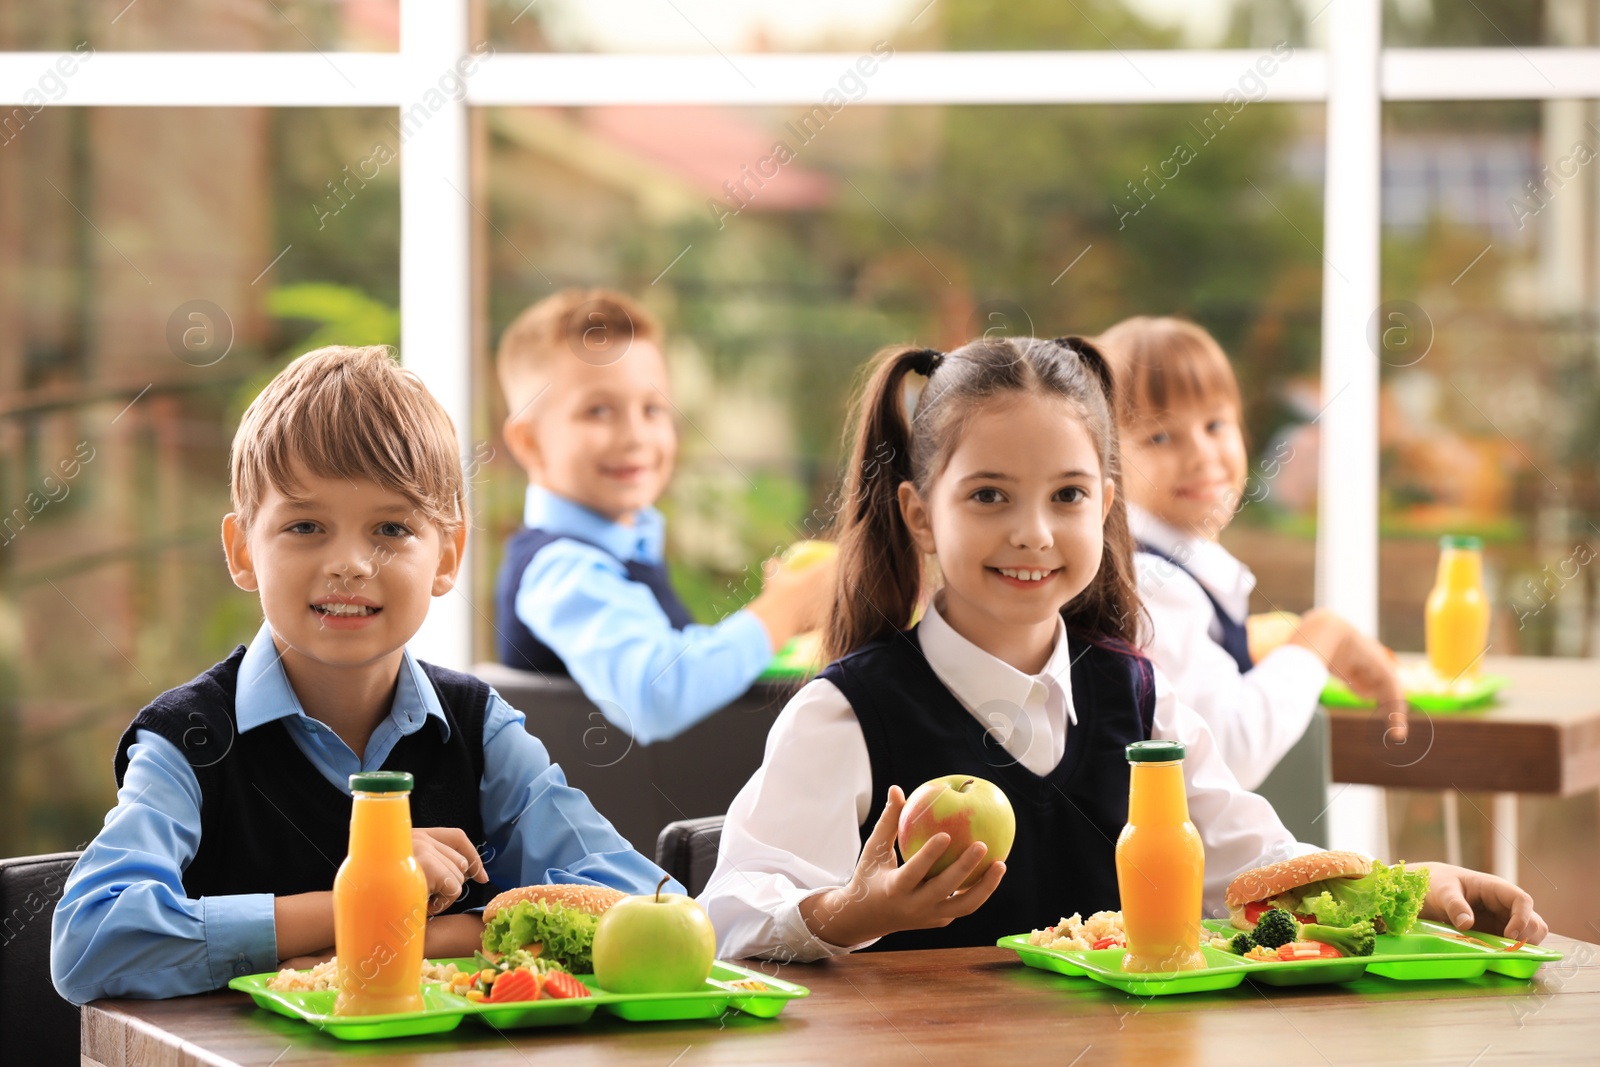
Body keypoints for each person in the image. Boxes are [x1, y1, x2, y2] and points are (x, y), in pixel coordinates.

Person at [698, 335, 1547, 960]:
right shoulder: (847, 712)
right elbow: (730, 912)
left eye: (1067, 495)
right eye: (989, 494)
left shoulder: (1139, 697)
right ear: (921, 512)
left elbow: (1257, 865)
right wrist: (851, 908)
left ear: (1104, 505)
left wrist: (1406, 886)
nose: (1033, 533)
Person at [51, 346, 678, 1004]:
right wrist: (367, 900)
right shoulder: (190, 738)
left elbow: (644, 906)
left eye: (389, 527)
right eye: (305, 525)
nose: (349, 562)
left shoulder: (479, 729)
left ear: (448, 556)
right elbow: (90, 940)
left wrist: (426, 938)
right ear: (242, 551)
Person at [493, 288, 833, 744]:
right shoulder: (561, 570)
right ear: (529, 441)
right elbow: (658, 694)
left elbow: (685, 667)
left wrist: (791, 619)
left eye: (652, 409)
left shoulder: (619, 555)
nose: (636, 435)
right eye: (598, 411)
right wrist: (786, 607)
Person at [1096, 315, 1406, 791]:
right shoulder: (1151, 584)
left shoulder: (1168, 565)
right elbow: (1233, 750)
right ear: (1106, 460)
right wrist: (1322, 635)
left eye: (1215, 424)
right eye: (1160, 436)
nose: (1202, 454)